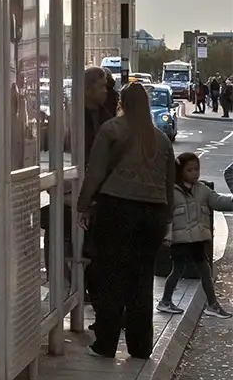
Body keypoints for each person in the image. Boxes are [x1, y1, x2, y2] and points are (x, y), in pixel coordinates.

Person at [79, 81, 175, 359]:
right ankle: (141, 346)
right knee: (141, 279)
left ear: (121, 101)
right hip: (153, 215)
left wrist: (83, 205)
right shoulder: (161, 139)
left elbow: (95, 172)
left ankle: (106, 343)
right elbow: (169, 185)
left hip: (117, 209)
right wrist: (166, 218)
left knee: (110, 276)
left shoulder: (111, 130)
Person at [158, 153, 233, 317]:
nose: (194, 173)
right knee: (177, 270)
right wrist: (166, 235)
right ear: (180, 171)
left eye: (196, 169)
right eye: (189, 170)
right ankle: (165, 300)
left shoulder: (202, 189)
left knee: (205, 271)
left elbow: (218, 201)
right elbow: (165, 216)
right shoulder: (172, 191)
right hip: (180, 241)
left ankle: (213, 305)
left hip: (198, 239)